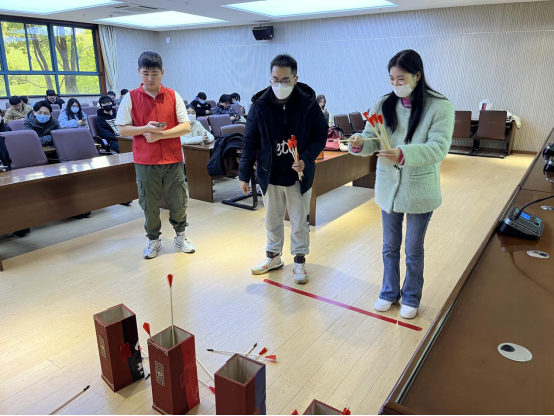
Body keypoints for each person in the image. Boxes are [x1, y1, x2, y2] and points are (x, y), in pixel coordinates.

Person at [348, 50, 454, 320]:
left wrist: (403, 153)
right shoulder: (383, 104)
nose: (396, 84)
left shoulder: (439, 106)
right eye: (392, 79)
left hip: (420, 189)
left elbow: (438, 148)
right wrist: (359, 143)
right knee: (389, 246)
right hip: (389, 189)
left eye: (401, 79)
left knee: (413, 250)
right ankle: (388, 292)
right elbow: (372, 139)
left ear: (417, 76)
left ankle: (411, 297)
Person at [239, 54, 328, 285]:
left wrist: (306, 158)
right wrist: (244, 174)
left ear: (295, 79)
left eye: (285, 80)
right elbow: (250, 141)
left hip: (298, 175)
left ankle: (299, 261)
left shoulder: (308, 103)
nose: (280, 85)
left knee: (299, 221)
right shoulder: (259, 105)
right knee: (272, 220)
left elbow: (320, 134)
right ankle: (274, 257)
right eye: (275, 80)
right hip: (270, 174)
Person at [116, 51, 194, 260]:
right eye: (145, 74)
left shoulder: (173, 95)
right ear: (139, 73)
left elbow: (185, 126)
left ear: (162, 73)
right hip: (145, 161)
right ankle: (153, 240)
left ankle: (181, 236)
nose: (150, 78)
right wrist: (145, 129)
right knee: (149, 204)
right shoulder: (130, 97)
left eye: (154, 74)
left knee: (178, 200)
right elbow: (122, 129)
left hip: (173, 158)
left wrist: (160, 135)